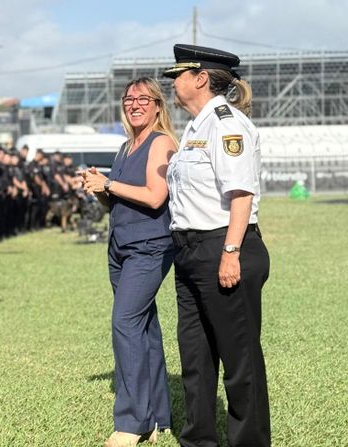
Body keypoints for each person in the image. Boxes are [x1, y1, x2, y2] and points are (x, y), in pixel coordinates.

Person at [164, 44, 270, 447]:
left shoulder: (227, 124)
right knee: (195, 357)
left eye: (180, 75)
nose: (174, 83)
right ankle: (198, 439)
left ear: (201, 78)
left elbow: (241, 194)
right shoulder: (195, 126)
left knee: (239, 361)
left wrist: (230, 253)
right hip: (190, 251)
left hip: (224, 246)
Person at [81, 77, 179, 447]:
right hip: (120, 246)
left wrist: (109, 184)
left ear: (157, 105)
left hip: (149, 247)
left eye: (142, 98)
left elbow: (156, 197)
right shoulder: (126, 146)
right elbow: (120, 200)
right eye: (128, 98)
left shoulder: (162, 142)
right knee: (143, 328)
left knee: (125, 323)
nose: (134, 104)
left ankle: (132, 423)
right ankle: (157, 418)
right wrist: (98, 188)